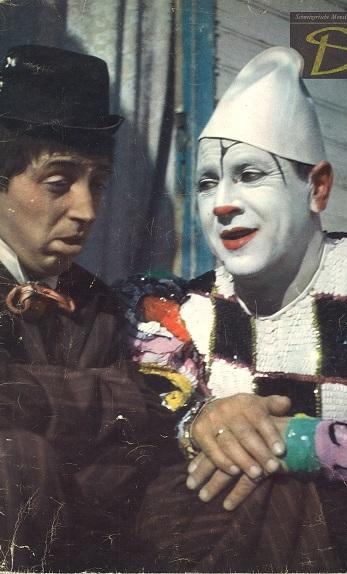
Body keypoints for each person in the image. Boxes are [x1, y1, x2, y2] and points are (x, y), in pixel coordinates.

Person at [121, 47, 347, 572]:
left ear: (317, 187)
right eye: (206, 183)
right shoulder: (185, 313)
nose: (223, 202)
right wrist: (200, 421)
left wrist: (299, 443)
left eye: (249, 174)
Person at [0, 44, 174, 572]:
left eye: (98, 183)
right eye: (59, 184)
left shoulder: (96, 303)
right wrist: (116, 396)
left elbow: (135, 443)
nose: (88, 210)